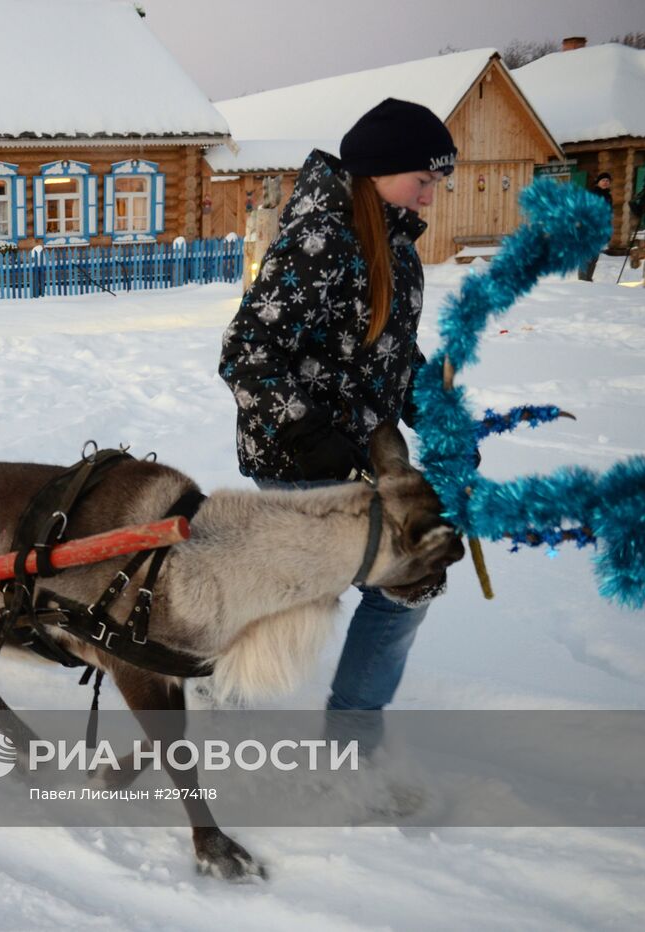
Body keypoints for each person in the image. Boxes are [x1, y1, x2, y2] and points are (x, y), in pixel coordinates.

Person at [218, 98, 457, 720]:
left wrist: (440, 415)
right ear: (380, 169)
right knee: (304, 596)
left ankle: (350, 730)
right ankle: (224, 710)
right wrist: (309, 435)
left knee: (404, 581)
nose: (430, 197)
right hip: (300, 456)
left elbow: (390, 350)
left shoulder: (396, 246)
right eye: (424, 180)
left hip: (359, 452)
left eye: (437, 183)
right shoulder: (323, 237)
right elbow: (246, 353)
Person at [578, 171, 613, 281]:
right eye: (603, 180)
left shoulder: (608, 196)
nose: (606, 182)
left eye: (608, 181)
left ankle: (588, 279)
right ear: (598, 182)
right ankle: (583, 281)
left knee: (594, 258)